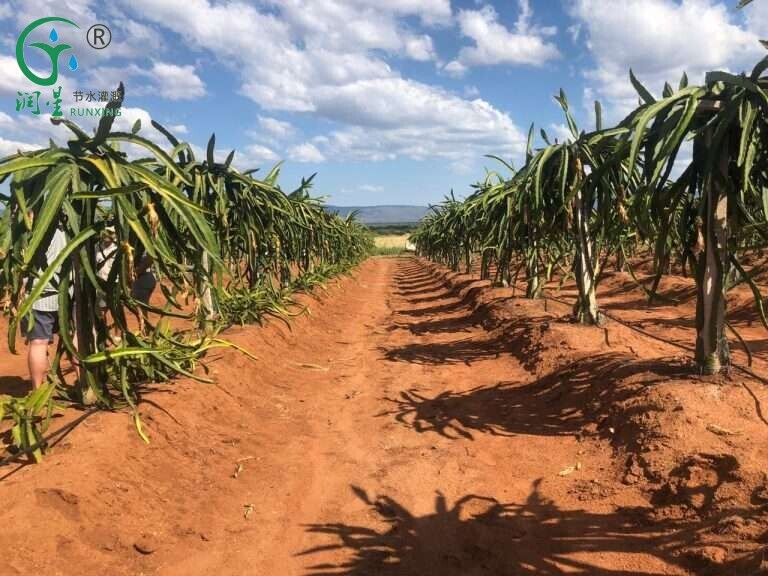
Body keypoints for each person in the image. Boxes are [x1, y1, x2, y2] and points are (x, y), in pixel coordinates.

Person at [21, 226, 68, 389]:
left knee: (39, 343)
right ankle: (85, 385)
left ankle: (37, 389)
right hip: (67, 293)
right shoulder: (67, 227)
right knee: (76, 337)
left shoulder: (31, 229)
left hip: (38, 295)